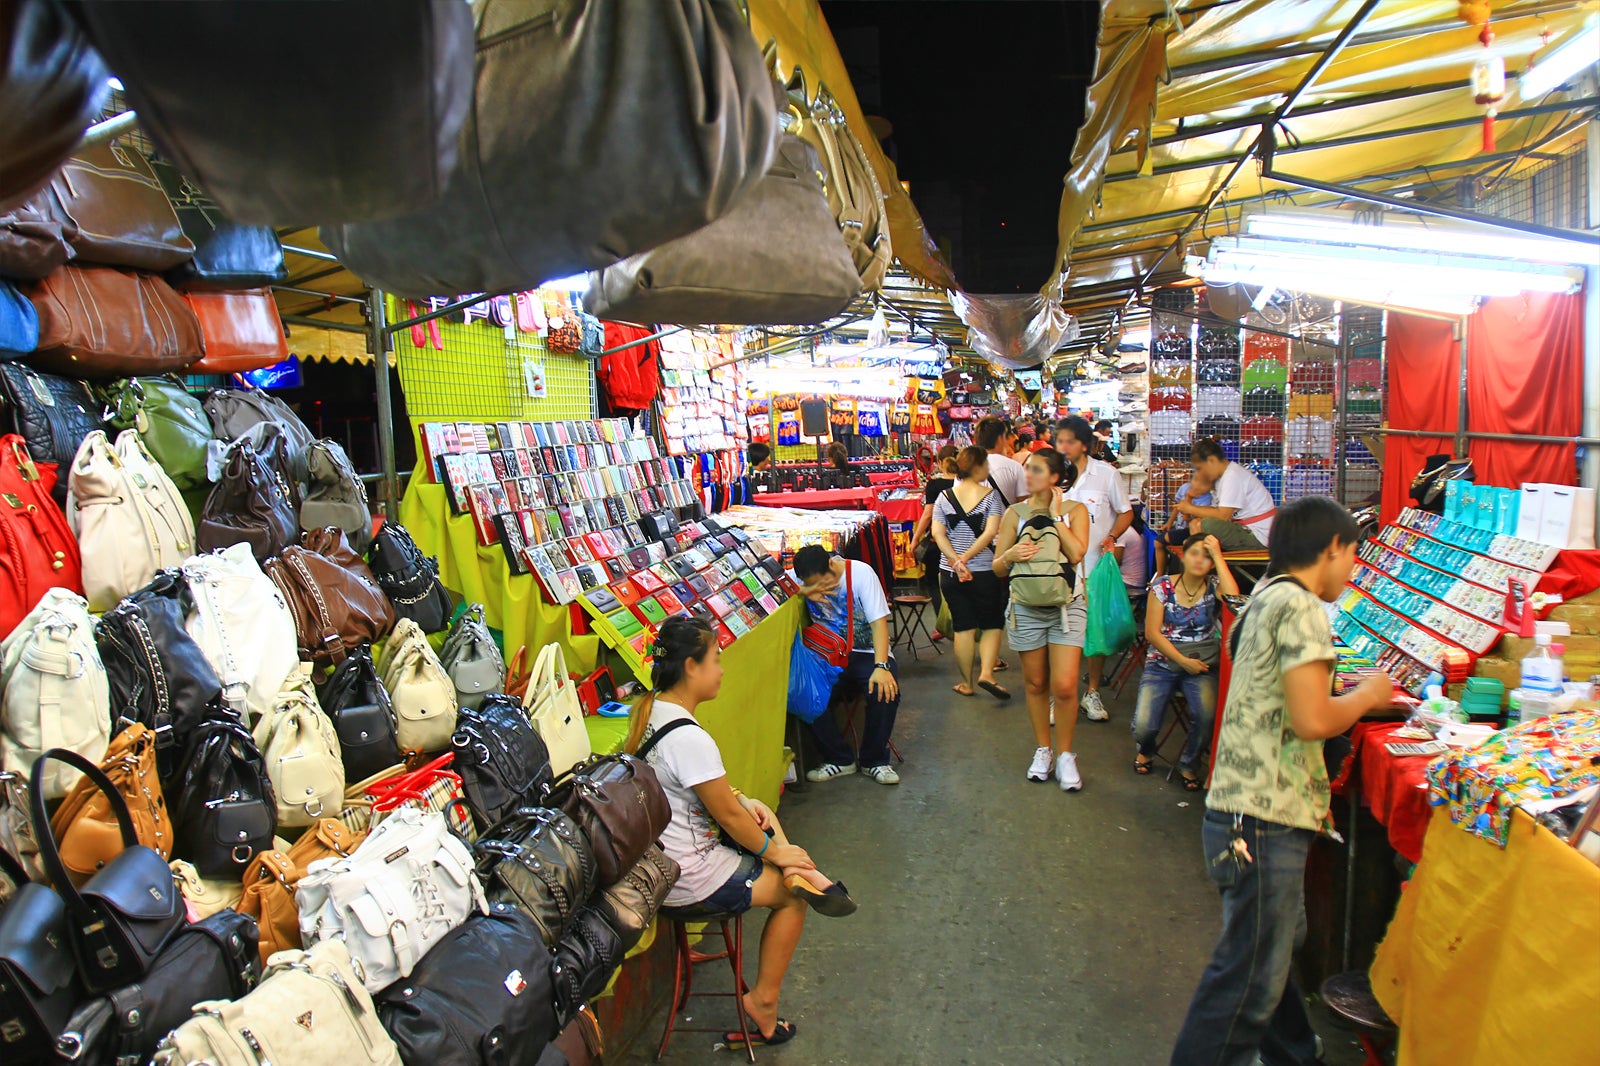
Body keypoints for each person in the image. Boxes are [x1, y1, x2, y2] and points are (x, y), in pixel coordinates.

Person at [1170, 496, 1394, 1066]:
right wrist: (1367, 696)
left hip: (1240, 812)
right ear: (1333, 549)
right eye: (1353, 557)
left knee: (1264, 958)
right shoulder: (1299, 606)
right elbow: (1313, 719)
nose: (1353, 571)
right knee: (1247, 980)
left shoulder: (1265, 596)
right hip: (1263, 818)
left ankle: (1296, 1053)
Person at [626, 617, 854, 1052]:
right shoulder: (688, 738)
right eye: (716, 660)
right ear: (691, 666)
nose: (722, 669)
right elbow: (729, 818)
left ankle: (797, 869)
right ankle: (764, 1001)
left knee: (759, 811)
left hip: (662, 861)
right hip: (688, 877)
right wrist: (772, 851)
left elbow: (714, 800)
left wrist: (749, 813)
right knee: (792, 898)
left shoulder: (651, 712)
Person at [991, 448, 1090, 789]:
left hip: (1068, 607)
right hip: (1025, 608)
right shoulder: (1013, 514)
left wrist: (1055, 516)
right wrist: (1010, 554)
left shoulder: (1076, 511)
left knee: (1064, 685)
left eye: (1035, 469)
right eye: (1027, 469)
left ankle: (1066, 755)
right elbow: (997, 567)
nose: (1027, 474)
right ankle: (1043, 749)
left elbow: (1077, 554)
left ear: (1055, 477)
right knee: (1035, 684)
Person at [789, 544, 903, 785]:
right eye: (814, 584)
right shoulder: (798, 578)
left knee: (884, 690)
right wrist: (803, 592)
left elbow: (879, 624)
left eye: (823, 582)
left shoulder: (861, 574)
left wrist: (881, 666)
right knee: (805, 693)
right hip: (827, 653)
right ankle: (840, 759)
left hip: (867, 651)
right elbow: (777, 587)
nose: (822, 588)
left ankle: (875, 761)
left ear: (831, 563)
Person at [1133, 534, 1239, 790]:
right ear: (1182, 556)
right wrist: (1182, 661)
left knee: (1206, 715)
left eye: (1206, 557)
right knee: (1144, 726)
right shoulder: (1163, 587)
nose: (1199, 560)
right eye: (1194, 553)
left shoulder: (1214, 586)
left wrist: (1218, 556)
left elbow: (1234, 598)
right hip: (1162, 662)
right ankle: (1146, 748)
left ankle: (1189, 763)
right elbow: (1152, 634)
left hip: (1200, 664)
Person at [1054, 415, 1133, 722]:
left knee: (1094, 631)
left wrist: (1112, 536)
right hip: (1057, 568)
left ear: (1084, 444)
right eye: (1059, 440)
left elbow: (1125, 513)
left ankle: (1092, 693)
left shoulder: (1106, 475)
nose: (1063, 446)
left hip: (1094, 568)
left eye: (1069, 441)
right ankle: (1060, 695)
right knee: (1059, 632)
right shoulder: (1053, 473)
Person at [931, 445, 1009, 700]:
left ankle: (966, 683)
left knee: (963, 626)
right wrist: (966, 558)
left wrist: (955, 561)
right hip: (985, 571)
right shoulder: (991, 496)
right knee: (991, 623)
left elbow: (937, 534)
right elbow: (989, 533)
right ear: (977, 468)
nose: (988, 469)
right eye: (985, 464)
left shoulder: (944, 496)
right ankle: (987, 672)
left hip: (950, 574)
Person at [1176, 438, 1276, 550]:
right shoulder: (1220, 480)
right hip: (1243, 528)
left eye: (1200, 468)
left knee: (1206, 525)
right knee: (1195, 523)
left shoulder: (1232, 476)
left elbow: (1222, 515)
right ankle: (1199, 556)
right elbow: (1210, 513)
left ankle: (1202, 556)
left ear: (1212, 461)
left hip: (1258, 535)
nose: (1201, 473)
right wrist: (1189, 499)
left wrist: (1190, 508)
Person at [911, 445, 959, 635]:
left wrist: (915, 538)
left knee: (935, 583)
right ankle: (961, 620)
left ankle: (943, 623)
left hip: (938, 541)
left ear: (940, 463)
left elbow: (928, 514)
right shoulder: (966, 484)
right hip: (962, 541)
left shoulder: (934, 485)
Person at [1157, 468, 1215, 575]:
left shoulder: (1208, 499)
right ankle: (1160, 573)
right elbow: (1178, 506)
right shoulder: (1184, 488)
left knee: (1182, 548)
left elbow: (1186, 518)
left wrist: (1189, 498)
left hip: (1192, 531)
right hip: (1180, 527)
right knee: (1158, 542)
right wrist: (1169, 523)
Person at [974, 415, 1026, 505]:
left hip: (975, 519)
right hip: (1006, 518)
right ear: (1000, 438)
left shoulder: (965, 468)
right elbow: (1023, 502)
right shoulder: (1014, 467)